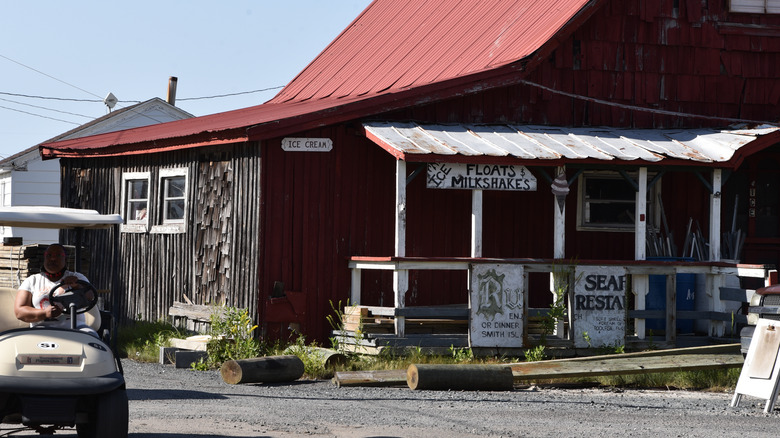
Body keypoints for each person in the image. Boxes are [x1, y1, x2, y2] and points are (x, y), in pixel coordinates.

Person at [14, 244, 96, 336]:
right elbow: (19, 311)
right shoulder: (32, 280)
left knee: (92, 337)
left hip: (75, 327)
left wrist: (77, 286)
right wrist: (44, 313)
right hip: (42, 328)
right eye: (49, 255)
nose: (53, 259)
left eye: (58, 255)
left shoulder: (77, 278)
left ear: (65, 259)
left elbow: (91, 298)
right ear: (44, 258)